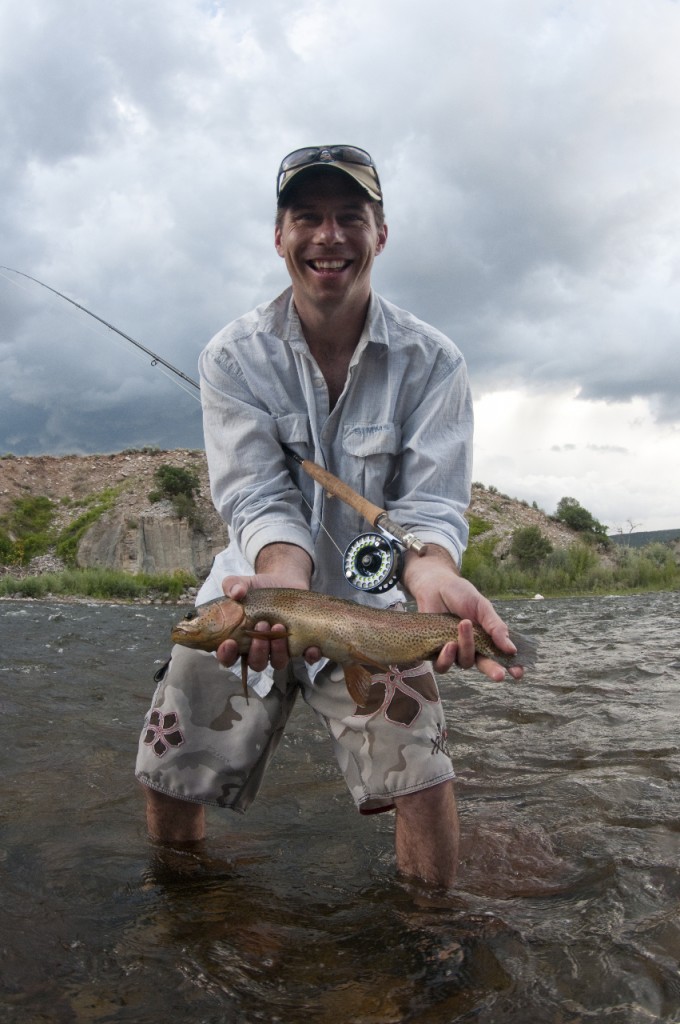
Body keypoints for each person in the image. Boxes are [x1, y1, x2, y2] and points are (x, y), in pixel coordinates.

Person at [135, 144, 523, 888]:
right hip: (252, 590)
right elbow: (257, 499)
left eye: (350, 216)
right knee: (169, 766)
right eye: (306, 217)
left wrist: (434, 572)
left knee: (424, 776)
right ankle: (187, 911)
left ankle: (431, 936)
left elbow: (431, 506)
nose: (328, 235)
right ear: (278, 236)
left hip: (376, 613)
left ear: (382, 234)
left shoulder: (435, 363)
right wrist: (278, 579)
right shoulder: (231, 358)